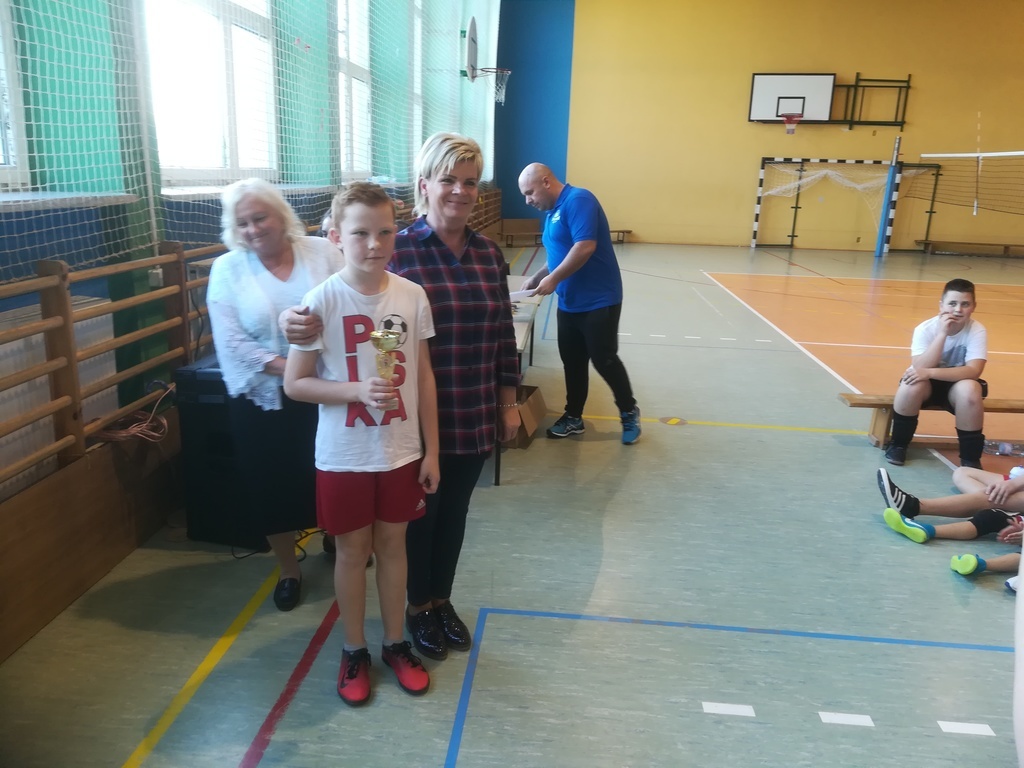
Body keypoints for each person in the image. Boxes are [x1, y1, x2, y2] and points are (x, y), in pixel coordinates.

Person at [282, 133, 521, 663]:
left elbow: (503, 330)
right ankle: (415, 609)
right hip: (404, 423)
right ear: (424, 185)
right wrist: (289, 318)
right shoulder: (396, 247)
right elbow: (330, 291)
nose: (459, 191)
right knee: (414, 524)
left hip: (469, 409)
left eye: (469, 182)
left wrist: (507, 401)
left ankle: (440, 600)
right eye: (448, 179)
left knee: (454, 515)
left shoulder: (487, 254)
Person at [283, 182, 440, 705]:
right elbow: (295, 383)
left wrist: (432, 450)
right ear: (335, 237)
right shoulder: (320, 300)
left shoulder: (411, 295)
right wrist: (354, 390)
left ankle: (395, 643)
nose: (374, 244)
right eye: (360, 233)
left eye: (385, 232)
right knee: (353, 553)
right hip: (344, 455)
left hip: (399, 451)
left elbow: (423, 377)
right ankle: (354, 649)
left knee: (394, 548)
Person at [207, 178, 341, 612]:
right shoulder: (227, 269)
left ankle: (336, 537)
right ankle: (288, 569)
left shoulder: (322, 252)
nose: (252, 229)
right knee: (271, 484)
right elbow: (230, 342)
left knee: (331, 473)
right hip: (263, 399)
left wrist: (316, 374)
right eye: (242, 223)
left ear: (281, 215)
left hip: (325, 391)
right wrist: (292, 370)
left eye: (259, 217)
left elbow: (350, 304)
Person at [517, 163, 641, 445]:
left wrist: (553, 279)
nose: (528, 201)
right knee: (572, 362)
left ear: (546, 181)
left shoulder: (579, 199)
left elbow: (585, 246)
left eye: (529, 193)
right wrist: (537, 276)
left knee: (604, 359)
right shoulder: (552, 214)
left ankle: (628, 411)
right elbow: (557, 254)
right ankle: (573, 417)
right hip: (569, 302)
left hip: (599, 300)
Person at [883, 278, 987, 467]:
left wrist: (930, 373)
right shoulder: (925, 329)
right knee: (911, 385)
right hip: (926, 386)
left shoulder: (976, 330)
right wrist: (942, 334)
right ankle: (898, 445)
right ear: (941, 306)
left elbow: (974, 370)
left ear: (974, 306)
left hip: (956, 385)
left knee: (971, 390)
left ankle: (970, 458)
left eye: (965, 304)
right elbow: (919, 368)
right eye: (952, 303)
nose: (958, 310)